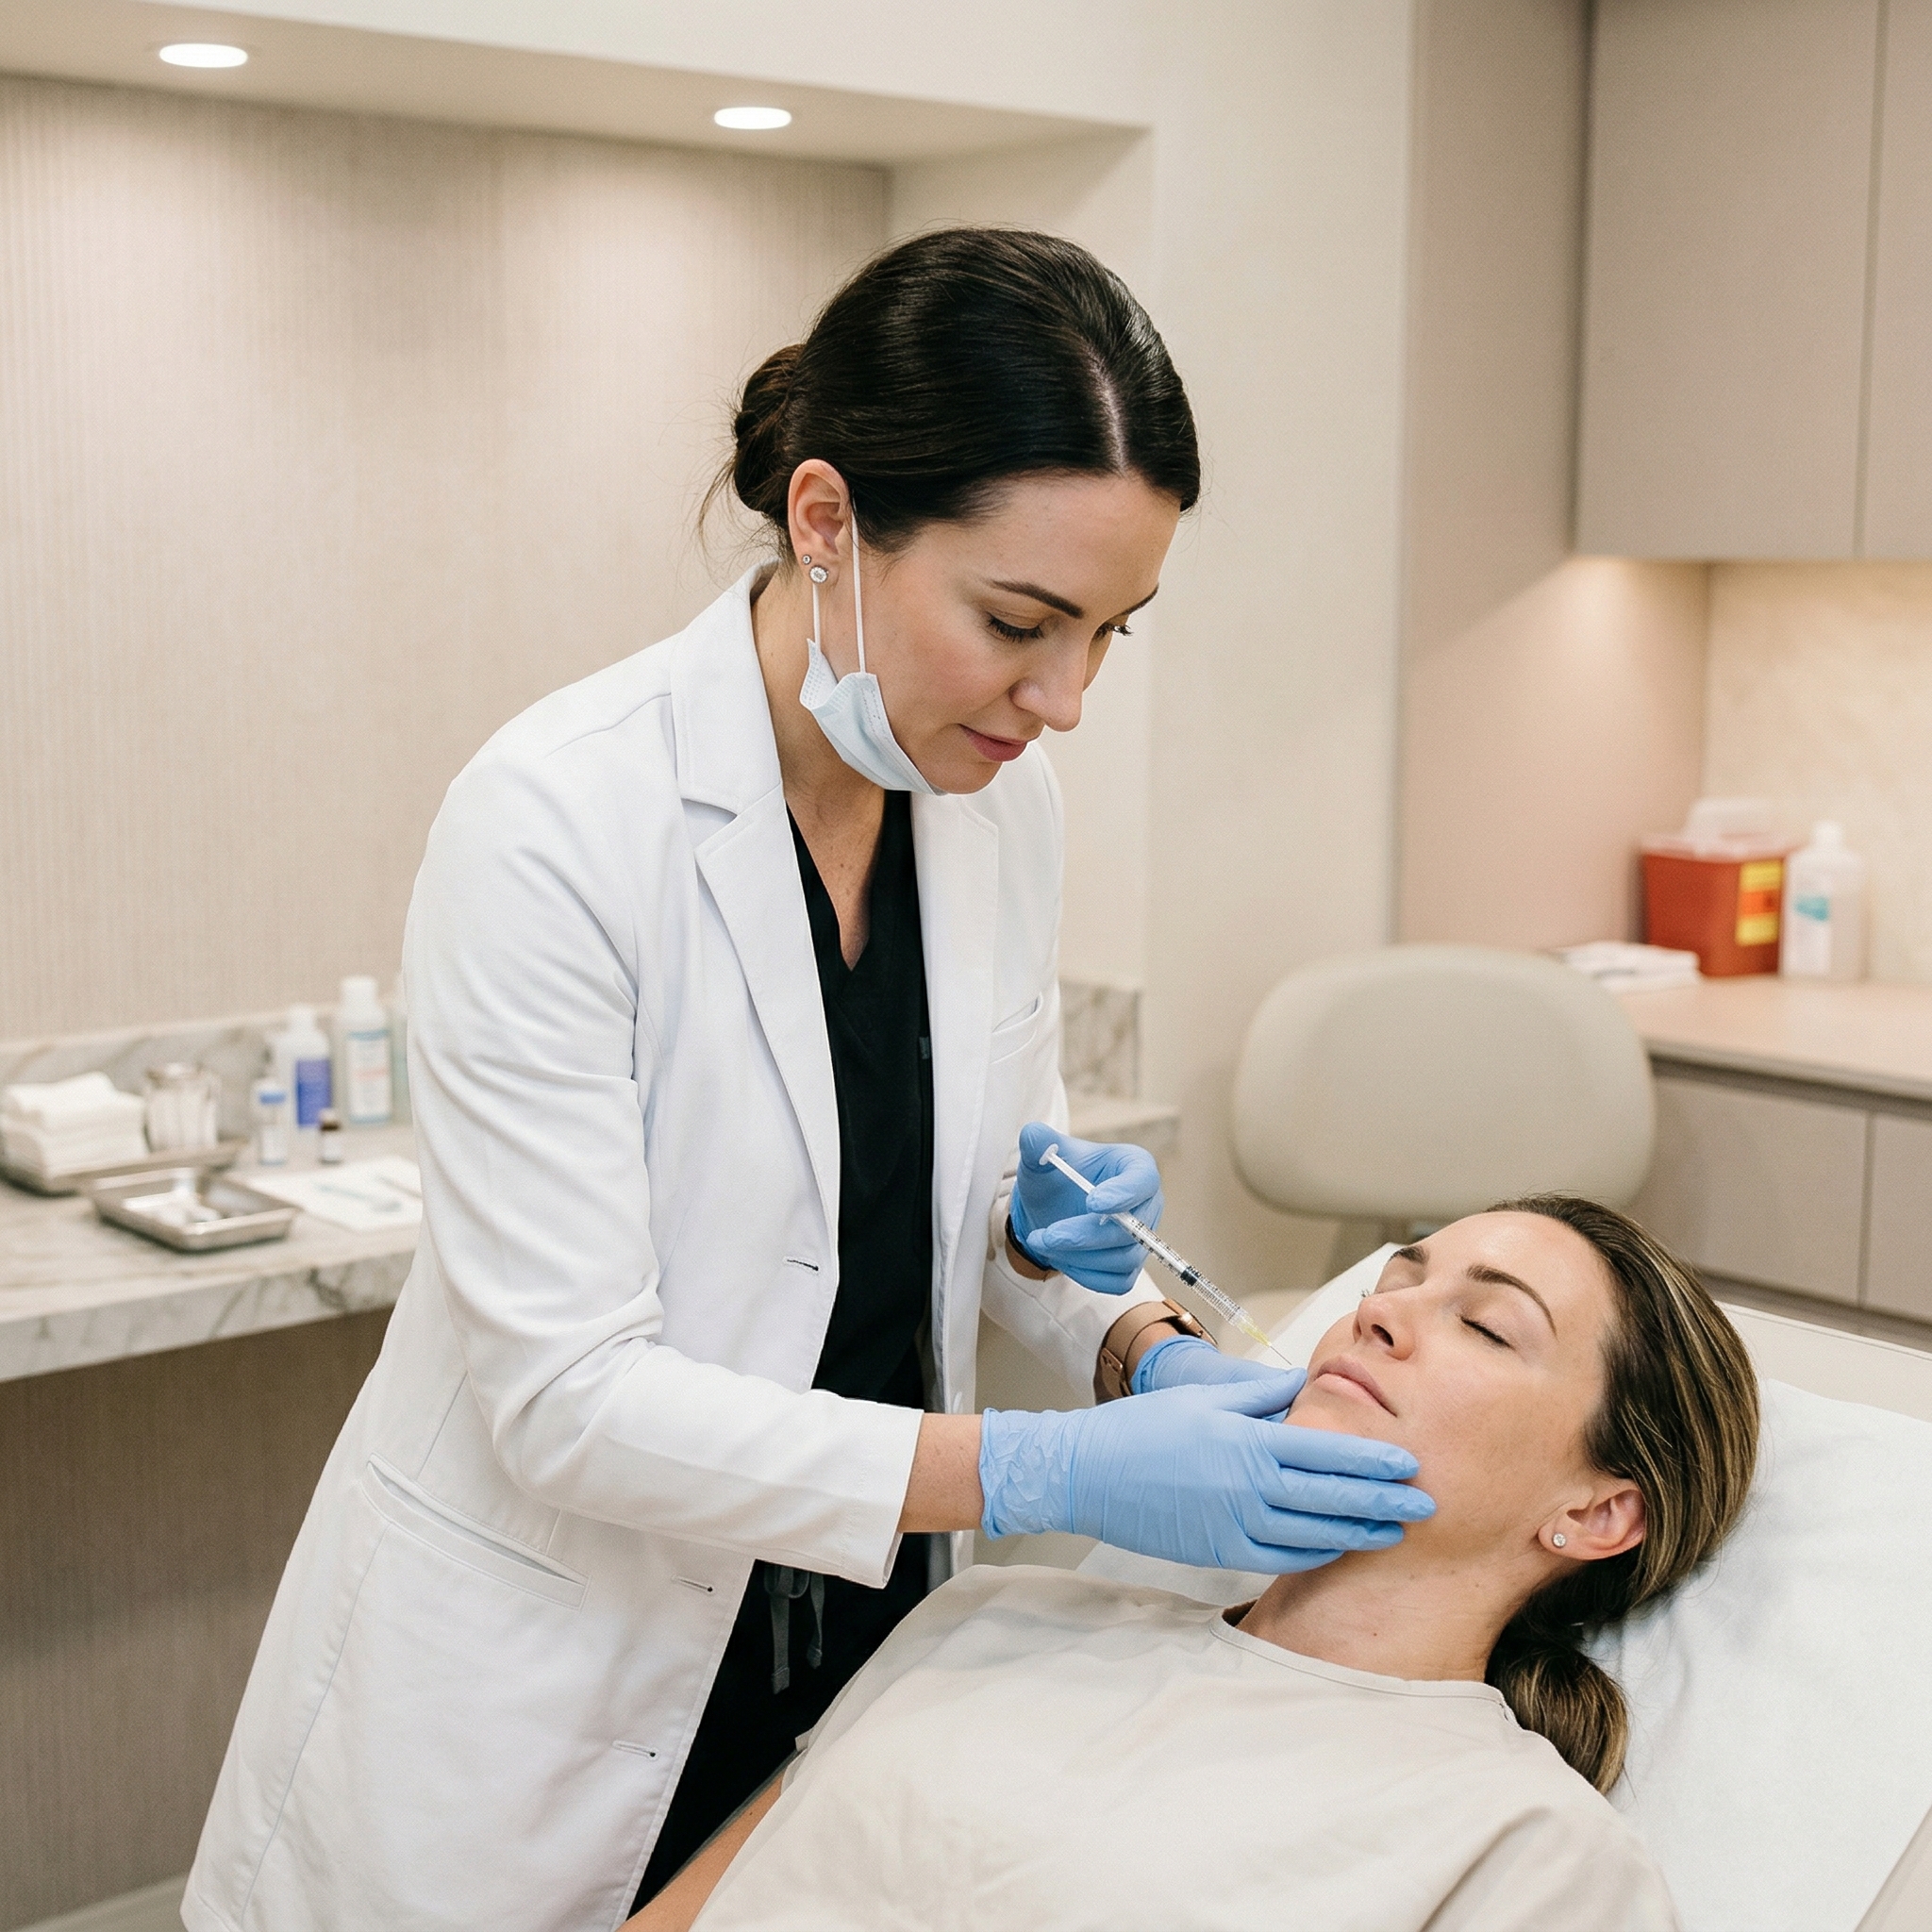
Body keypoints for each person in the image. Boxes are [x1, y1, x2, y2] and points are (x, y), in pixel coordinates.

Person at [183, 229, 1433, 1932]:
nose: (1062, 700)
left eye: (1110, 632)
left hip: (854, 1630)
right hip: (558, 1672)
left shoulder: (993, 803)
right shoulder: (558, 814)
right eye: (1018, 620)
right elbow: (568, 1398)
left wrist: (1121, 1330)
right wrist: (1040, 1475)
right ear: (829, 522)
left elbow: (988, 1201)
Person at [625, 1195, 1760, 1932]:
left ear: (1597, 1511)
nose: (1383, 1316)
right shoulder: (991, 1614)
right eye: (1395, 1281)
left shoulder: (1527, 1848)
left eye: (1486, 1325)